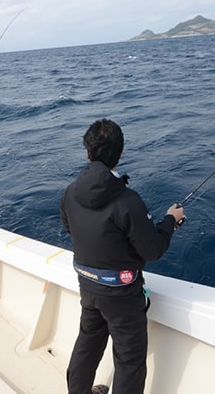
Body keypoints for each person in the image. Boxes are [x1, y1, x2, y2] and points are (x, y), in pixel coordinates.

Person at [60, 119, 185, 394]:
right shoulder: (128, 201)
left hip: (88, 287)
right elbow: (153, 250)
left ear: (87, 152)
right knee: (129, 360)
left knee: (88, 342)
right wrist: (170, 221)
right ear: (121, 153)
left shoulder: (70, 192)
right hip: (123, 297)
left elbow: (69, 227)